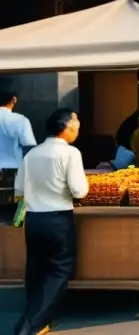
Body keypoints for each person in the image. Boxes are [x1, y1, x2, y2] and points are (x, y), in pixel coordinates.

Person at [14, 109, 88, 335]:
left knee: (36, 270)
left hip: (34, 219)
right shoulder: (71, 153)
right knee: (58, 271)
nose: (78, 126)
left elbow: (19, 190)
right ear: (65, 126)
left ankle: (39, 320)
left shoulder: (32, 154)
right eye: (75, 121)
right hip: (58, 219)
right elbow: (79, 190)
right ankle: (29, 327)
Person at [0, 92, 36, 210]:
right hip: (15, 173)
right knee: (20, 208)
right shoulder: (20, 120)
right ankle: (18, 225)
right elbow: (29, 148)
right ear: (13, 100)